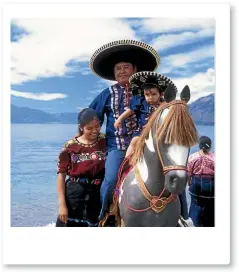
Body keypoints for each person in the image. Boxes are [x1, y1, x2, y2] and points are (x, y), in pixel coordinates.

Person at [88, 40, 160, 221]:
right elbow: (92, 117)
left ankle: (178, 215)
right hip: (117, 147)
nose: (121, 71)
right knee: (111, 179)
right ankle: (104, 216)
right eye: (118, 68)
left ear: (135, 69)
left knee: (170, 175)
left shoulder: (147, 91)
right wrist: (90, 139)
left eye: (126, 67)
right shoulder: (107, 93)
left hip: (147, 145)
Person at [55, 108, 106, 227]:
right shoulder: (70, 146)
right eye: (89, 128)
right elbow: (61, 175)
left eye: (97, 126)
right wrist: (62, 205)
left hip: (97, 195)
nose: (95, 131)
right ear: (81, 127)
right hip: (74, 195)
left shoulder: (105, 140)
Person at [114, 71, 178, 157]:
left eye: (154, 94)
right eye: (147, 95)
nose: (150, 97)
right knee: (134, 142)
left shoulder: (165, 105)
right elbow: (130, 111)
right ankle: (127, 162)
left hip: (160, 131)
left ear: (161, 94)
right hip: (142, 131)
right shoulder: (141, 102)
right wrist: (120, 119)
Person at [187, 136, 215, 227]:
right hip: (211, 187)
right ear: (210, 146)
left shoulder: (192, 157)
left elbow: (188, 174)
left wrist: (189, 184)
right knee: (210, 207)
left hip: (196, 185)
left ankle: (194, 223)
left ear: (199, 146)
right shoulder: (214, 158)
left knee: (195, 205)